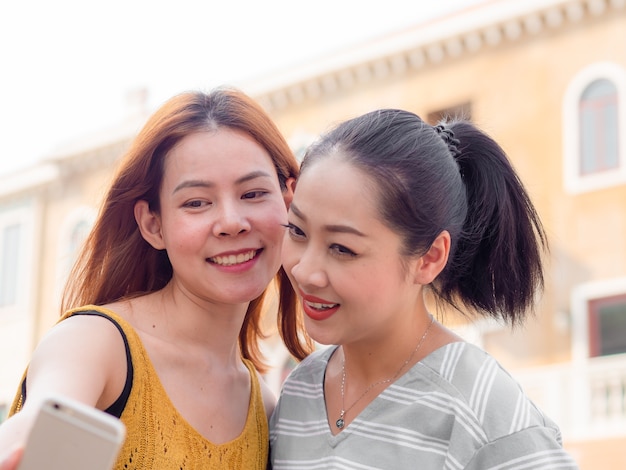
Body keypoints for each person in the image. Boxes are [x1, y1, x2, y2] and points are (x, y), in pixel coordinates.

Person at [0, 87, 312, 469]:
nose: (231, 222)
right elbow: (43, 414)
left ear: (289, 201)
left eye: (253, 193)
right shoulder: (96, 343)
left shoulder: (264, 409)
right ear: (153, 224)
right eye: (196, 202)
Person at [269, 109, 580, 469]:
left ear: (430, 258)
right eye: (297, 231)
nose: (305, 272)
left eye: (342, 248)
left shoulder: (482, 408)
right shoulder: (299, 390)